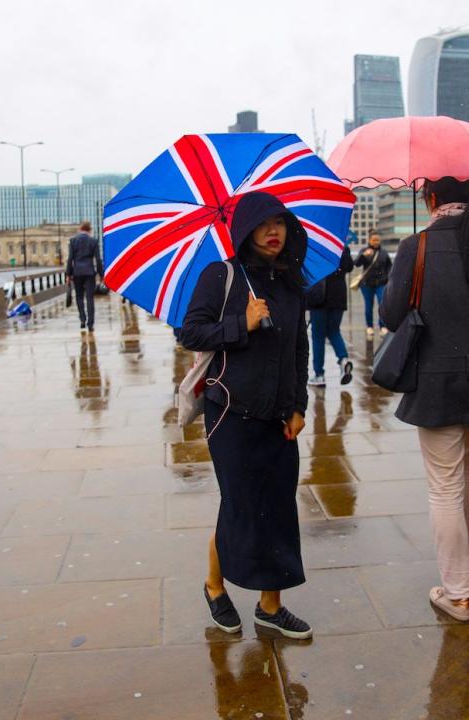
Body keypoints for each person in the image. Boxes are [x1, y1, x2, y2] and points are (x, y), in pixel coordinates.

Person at [380, 177, 469, 622]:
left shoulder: (416, 247)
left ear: (432, 198)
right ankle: (459, 569)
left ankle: (458, 592)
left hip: (439, 381)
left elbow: (391, 314)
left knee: (445, 486)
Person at [180, 191, 312, 639]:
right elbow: (191, 331)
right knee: (238, 505)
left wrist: (299, 406)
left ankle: (270, 607)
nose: (273, 232)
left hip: (279, 418)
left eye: (280, 223)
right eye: (263, 224)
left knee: (277, 507)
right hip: (230, 413)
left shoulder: (293, 284)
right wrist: (243, 324)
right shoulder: (222, 275)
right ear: (246, 230)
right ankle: (215, 587)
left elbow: (299, 348)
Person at [307, 248, 354, 387]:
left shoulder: (317, 247)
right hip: (338, 297)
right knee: (334, 331)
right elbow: (350, 266)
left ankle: (319, 375)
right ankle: (343, 359)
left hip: (319, 298)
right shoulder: (341, 247)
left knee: (318, 336)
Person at [65, 221, 104, 332]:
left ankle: (82, 319)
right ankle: (90, 324)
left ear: (80, 229)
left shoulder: (73, 241)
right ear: (89, 230)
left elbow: (70, 259)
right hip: (89, 272)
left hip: (77, 273)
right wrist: (101, 274)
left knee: (79, 297)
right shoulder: (93, 241)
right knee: (90, 298)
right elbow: (98, 259)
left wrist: (68, 274)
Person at [354, 230, 392, 337]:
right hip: (367, 284)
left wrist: (387, 278)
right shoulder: (364, 250)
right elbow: (356, 264)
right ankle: (369, 326)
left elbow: (390, 266)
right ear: (369, 240)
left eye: (378, 240)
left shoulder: (384, 252)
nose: (376, 242)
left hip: (381, 283)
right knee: (368, 306)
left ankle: (382, 326)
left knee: (382, 304)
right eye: (374, 240)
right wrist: (363, 255)